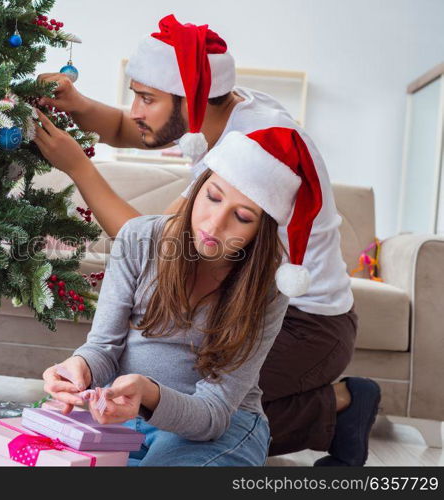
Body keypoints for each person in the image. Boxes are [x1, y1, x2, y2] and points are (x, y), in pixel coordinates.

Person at [33, 15, 381, 466]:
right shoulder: (217, 108)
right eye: (136, 94)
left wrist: (79, 168)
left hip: (304, 319)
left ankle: (342, 405)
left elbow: (166, 247)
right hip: (236, 294)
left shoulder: (254, 141)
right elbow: (129, 128)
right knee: (170, 395)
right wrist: (77, 104)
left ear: (191, 97)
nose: (134, 109)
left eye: (146, 97)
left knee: (214, 402)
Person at [44, 127, 327, 466]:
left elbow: (215, 413)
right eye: (213, 196)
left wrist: (149, 394)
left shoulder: (267, 284)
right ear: (197, 189)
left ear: (260, 231)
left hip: (220, 426)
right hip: (119, 416)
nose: (215, 223)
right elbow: (103, 348)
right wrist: (80, 367)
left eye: (242, 216)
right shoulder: (140, 239)